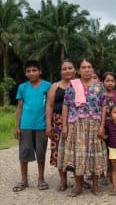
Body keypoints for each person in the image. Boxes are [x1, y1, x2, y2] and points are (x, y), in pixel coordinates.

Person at [62, 58, 107, 197]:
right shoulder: (72, 85)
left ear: (92, 69)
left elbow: (103, 106)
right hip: (77, 125)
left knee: (94, 155)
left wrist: (102, 125)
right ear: (79, 70)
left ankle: (95, 186)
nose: (87, 69)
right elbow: (66, 105)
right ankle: (78, 187)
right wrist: (64, 126)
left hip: (94, 125)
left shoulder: (99, 86)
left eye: (89, 67)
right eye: (84, 67)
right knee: (78, 155)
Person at [13, 60, 51, 192]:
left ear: (40, 71)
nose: (31, 73)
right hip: (25, 125)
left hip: (42, 125)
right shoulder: (22, 87)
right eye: (28, 71)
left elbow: (50, 106)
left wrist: (49, 125)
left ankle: (41, 179)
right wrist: (17, 126)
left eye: (34, 70)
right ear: (25, 73)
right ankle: (24, 180)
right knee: (24, 152)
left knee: (41, 153)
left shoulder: (48, 86)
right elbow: (19, 108)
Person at [45, 60, 76, 191]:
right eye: (64, 69)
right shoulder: (55, 86)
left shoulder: (79, 84)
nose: (67, 70)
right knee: (59, 151)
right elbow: (50, 105)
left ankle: (79, 180)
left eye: (70, 68)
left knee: (76, 151)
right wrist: (48, 125)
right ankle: (63, 181)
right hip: (57, 122)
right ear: (61, 72)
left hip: (75, 122)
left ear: (75, 70)